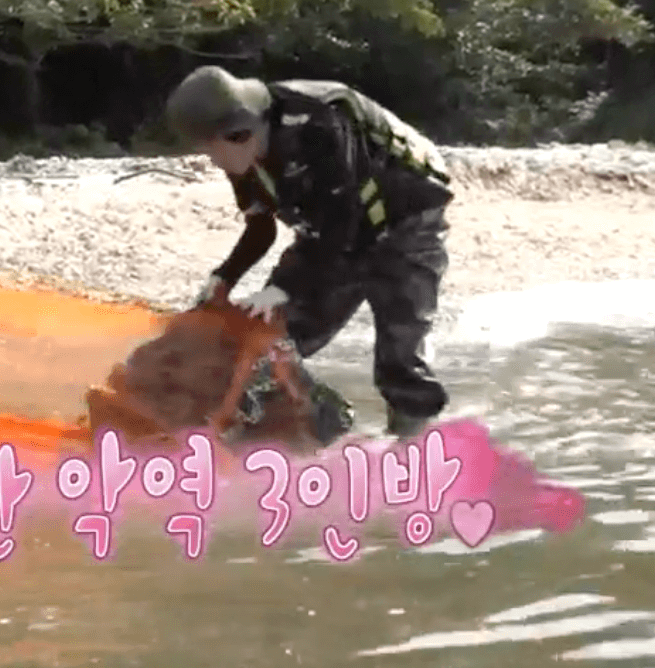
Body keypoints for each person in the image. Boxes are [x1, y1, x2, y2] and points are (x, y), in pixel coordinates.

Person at [165, 65, 455, 440]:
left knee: (400, 340)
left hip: (405, 215)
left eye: (210, 151)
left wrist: (284, 287)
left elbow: (342, 222)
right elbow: (261, 228)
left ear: (241, 134)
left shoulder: (318, 123)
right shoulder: (243, 155)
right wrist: (224, 277)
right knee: (274, 333)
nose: (211, 161)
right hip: (329, 229)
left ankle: (413, 441)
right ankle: (286, 429)